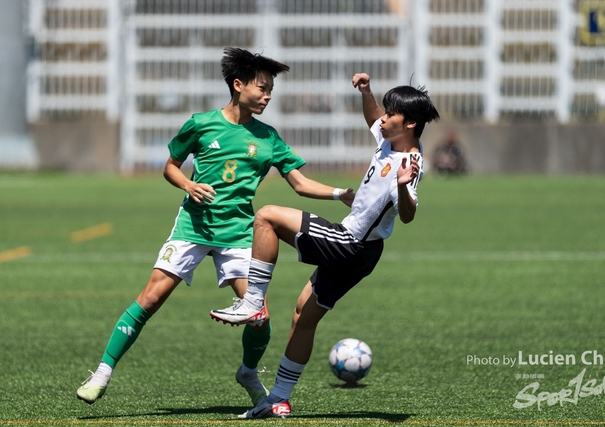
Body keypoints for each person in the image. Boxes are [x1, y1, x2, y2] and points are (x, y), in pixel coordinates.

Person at [76, 47, 354, 406]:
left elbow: (299, 184)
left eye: (271, 89)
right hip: (192, 228)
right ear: (238, 85)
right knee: (150, 298)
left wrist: (338, 193)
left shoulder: (268, 137)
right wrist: (188, 185)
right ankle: (102, 372)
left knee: (259, 315)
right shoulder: (200, 123)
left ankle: (248, 373)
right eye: (262, 88)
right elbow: (170, 166)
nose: (268, 96)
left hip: (239, 234)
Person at [210, 72, 440, 418]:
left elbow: (407, 215)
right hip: (364, 253)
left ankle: (253, 302)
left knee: (267, 216)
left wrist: (406, 186)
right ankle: (279, 399)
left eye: (391, 113)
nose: (384, 117)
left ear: (409, 123)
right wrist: (367, 91)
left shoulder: (408, 164)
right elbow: (372, 116)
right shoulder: (390, 141)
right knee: (304, 315)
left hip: (349, 244)